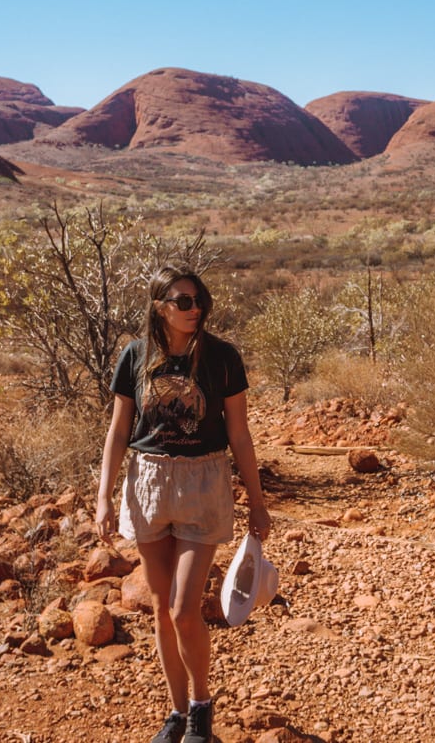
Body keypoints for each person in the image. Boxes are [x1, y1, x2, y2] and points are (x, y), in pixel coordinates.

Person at [96, 266, 271, 743]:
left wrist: (257, 503)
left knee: (183, 609)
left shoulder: (222, 358)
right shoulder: (135, 356)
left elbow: (239, 433)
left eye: (199, 301)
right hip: (147, 480)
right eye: (183, 302)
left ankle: (200, 703)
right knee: (158, 606)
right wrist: (104, 496)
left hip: (203, 481)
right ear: (160, 307)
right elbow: (118, 430)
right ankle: (175, 712)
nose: (195, 310)